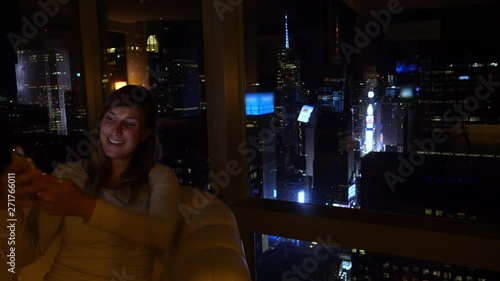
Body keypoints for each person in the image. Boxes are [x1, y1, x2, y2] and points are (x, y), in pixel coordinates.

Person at [1, 85, 181, 281]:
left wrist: (83, 207)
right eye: (110, 119)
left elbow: (162, 235)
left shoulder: (159, 176)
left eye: (129, 124)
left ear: (145, 133)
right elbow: (22, 256)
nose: (115, 130)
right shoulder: (68, 174)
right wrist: (7, 199)